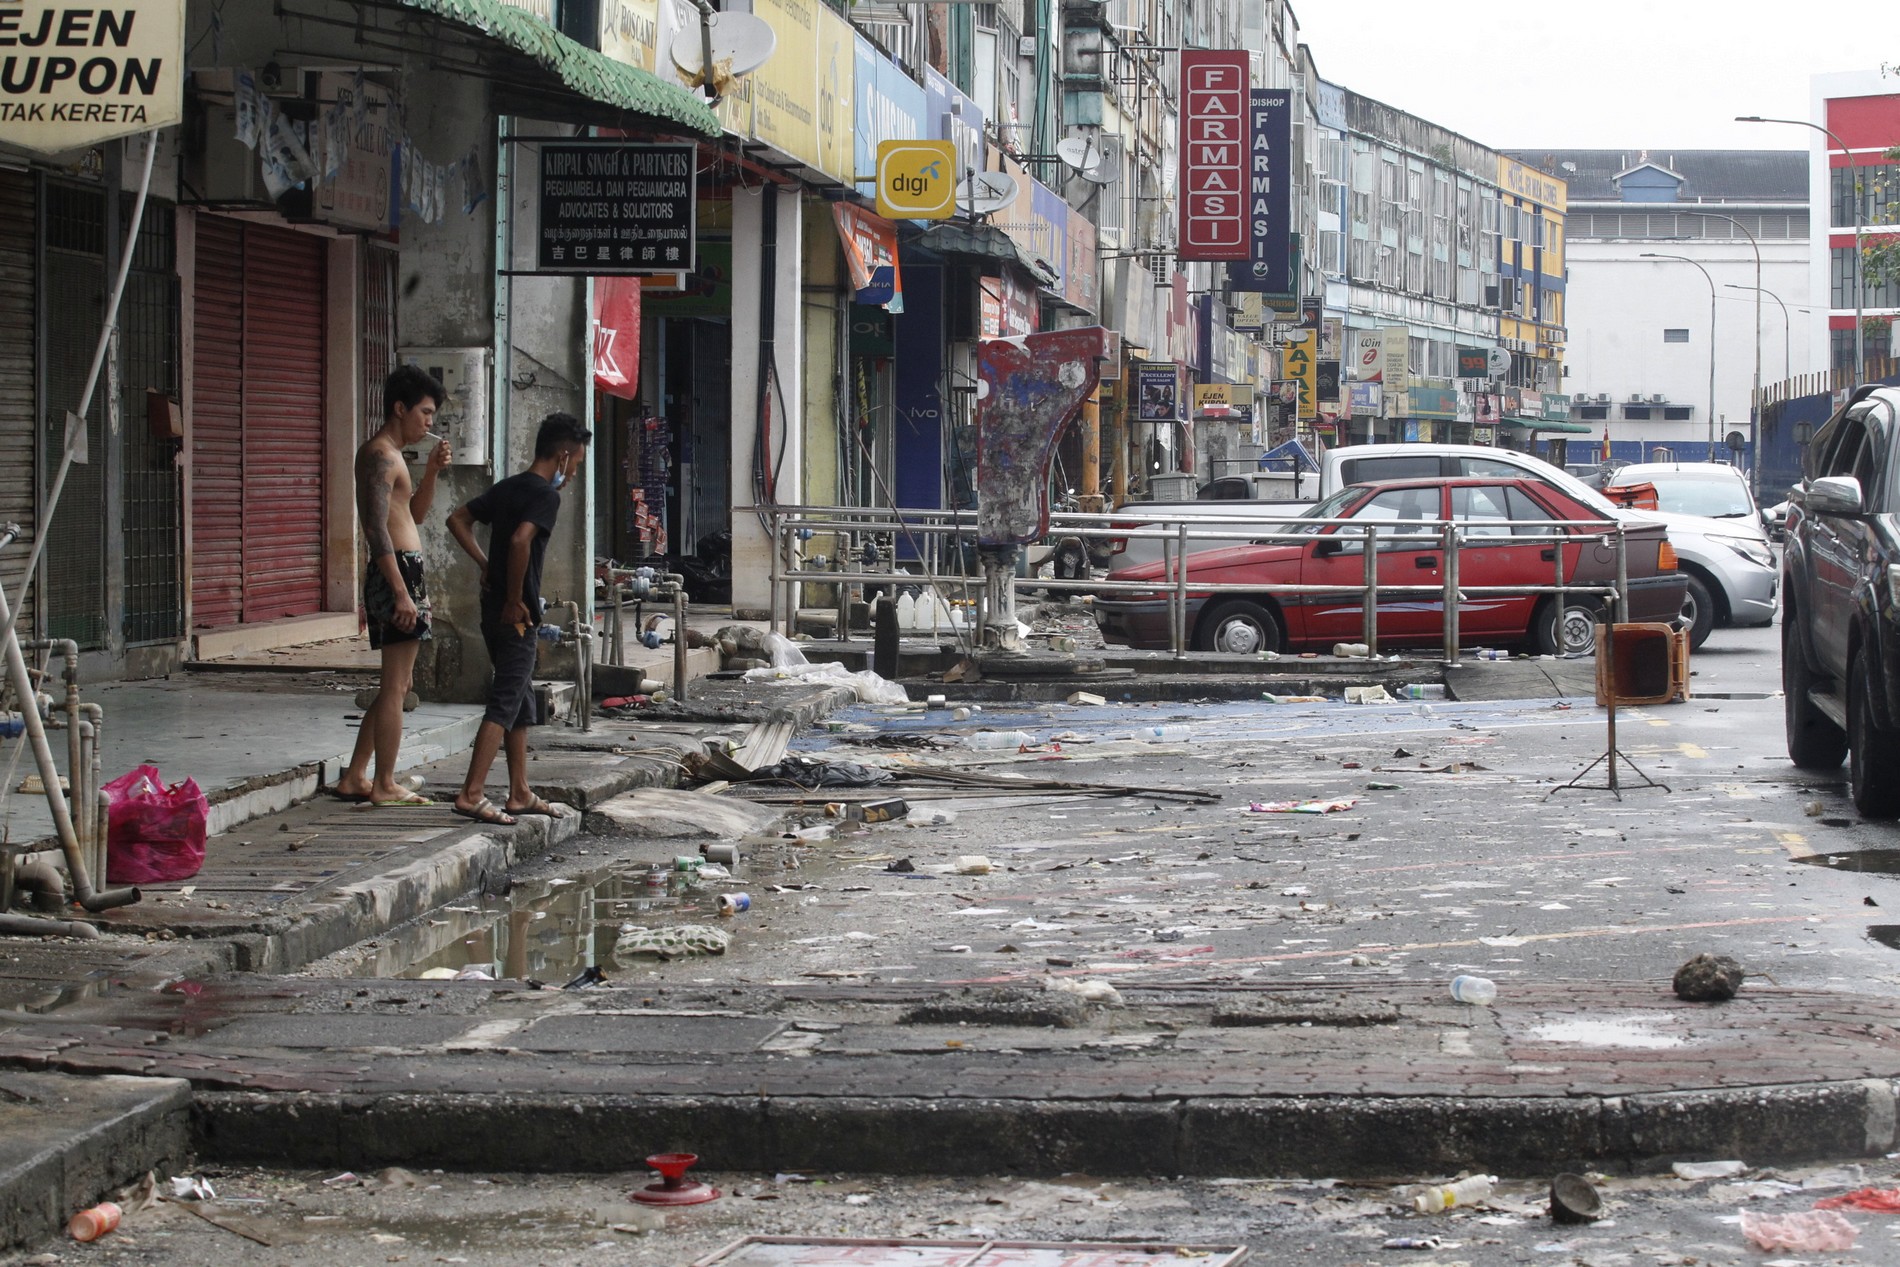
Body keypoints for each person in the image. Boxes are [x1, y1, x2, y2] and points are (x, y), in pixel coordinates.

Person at [446, 412, 593, 826]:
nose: (574, 472)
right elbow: (519, 540)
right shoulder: (546, 496)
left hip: (493, 606)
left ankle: (520, 791)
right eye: (576, 463)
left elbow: (457, 519)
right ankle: (471, 793)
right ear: (563, 456)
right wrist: (514, 597)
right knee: (506, 698)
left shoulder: (509, 487)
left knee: (521, 699)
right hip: (516, 612)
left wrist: (484, 564)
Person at [334, 366, 450, 807]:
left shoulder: (398, 456)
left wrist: (433, 473)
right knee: (397, 686)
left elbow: (414, 515)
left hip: (406, 568)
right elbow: (377, 528)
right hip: (395, 570)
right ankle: (384, 782)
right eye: (424, 412)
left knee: (394, 686)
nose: (429, 422)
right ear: (399, 408)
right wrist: (401, 591)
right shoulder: (379, 454)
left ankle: (357, 776)